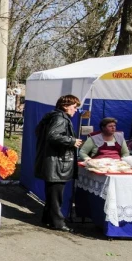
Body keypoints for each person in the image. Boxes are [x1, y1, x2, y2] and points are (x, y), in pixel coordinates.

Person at [34, 95, 83, 232]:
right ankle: (58, 223)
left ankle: (48, 219)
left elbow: (43, 134)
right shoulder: (60, 118)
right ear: (65, 106)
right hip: (56, 163)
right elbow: (53, 136)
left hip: (51, 162)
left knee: (52, 194)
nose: (75, 110)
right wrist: (72, 141)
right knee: (56, 196)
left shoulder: (52, 117)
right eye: (74, 107)